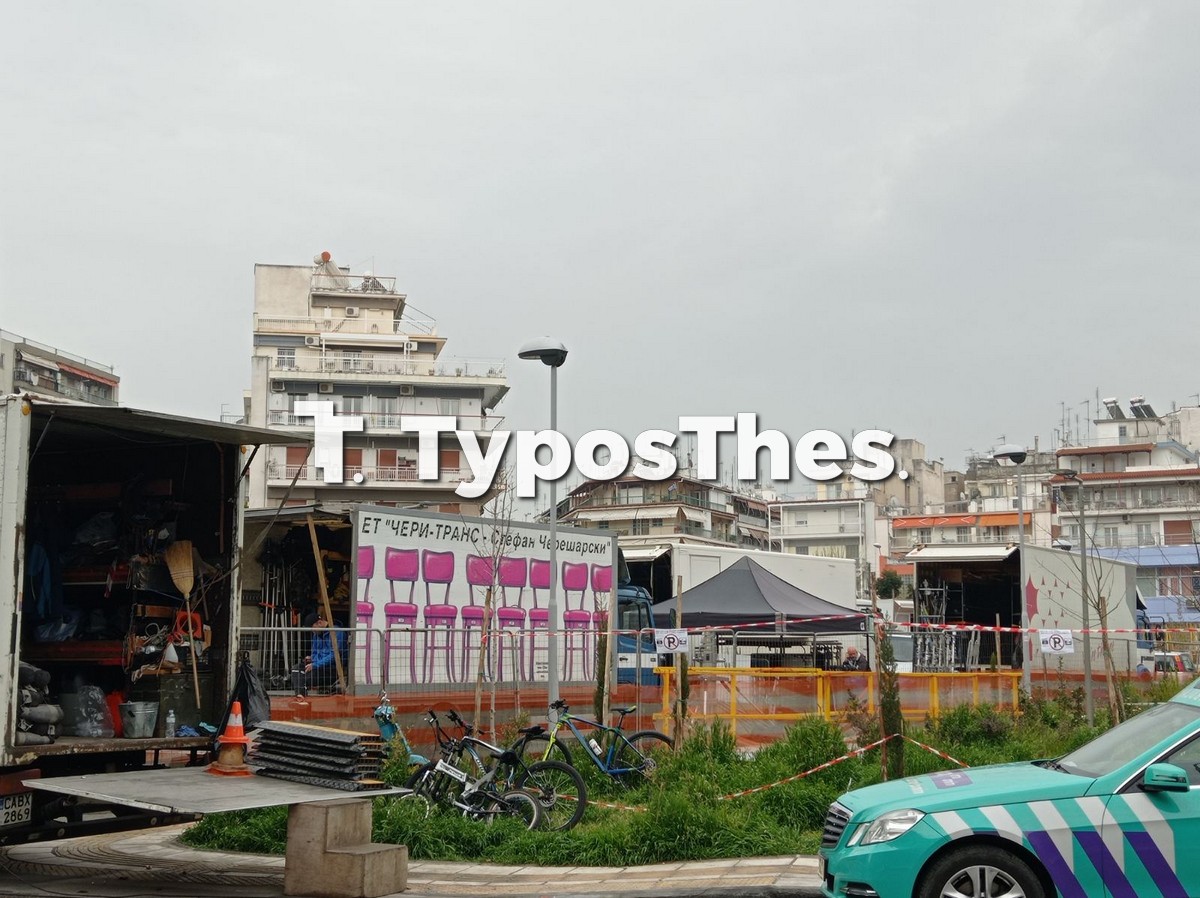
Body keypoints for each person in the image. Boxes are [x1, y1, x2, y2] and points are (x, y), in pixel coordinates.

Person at [290, 611, 347, 696]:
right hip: (319, 665)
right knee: (296, 668)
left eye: (313, 628)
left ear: (319, 623)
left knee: (304, 678)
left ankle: (300, 695)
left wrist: (315, 665)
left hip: (332, 668)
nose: (313, 632)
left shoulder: (337, 633)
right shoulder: (317, 635)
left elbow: (334, 655)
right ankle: (300, 694)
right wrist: (312, 658)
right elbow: (315, 651)